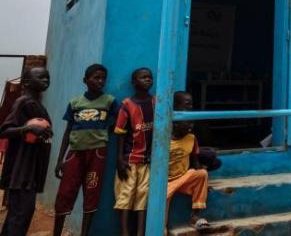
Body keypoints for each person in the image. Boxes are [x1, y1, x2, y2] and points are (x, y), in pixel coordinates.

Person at [52, 63, 118, 236]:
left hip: (97, 153)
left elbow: (117, 123)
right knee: (65, 193)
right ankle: (56, 232)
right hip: (75, 153)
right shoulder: (75, 103)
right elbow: (68, 131)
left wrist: (103, 130)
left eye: (103, 78)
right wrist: (60, 159)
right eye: (96, 77)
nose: (100, 81)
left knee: (92, 193)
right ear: (85, 80)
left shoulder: (109, 101)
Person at [0, 66, 52, 236]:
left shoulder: (38, 105)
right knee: (21, 216)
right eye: (41, 77)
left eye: (47, 77)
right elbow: (5, 130)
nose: (45, 80)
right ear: (28, 82)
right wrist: (28, 129)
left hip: (33, 169)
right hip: (22, 171)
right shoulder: (23, 102)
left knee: (17, 216)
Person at [113, 67, 156, 236]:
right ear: (133, 82)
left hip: (148, 161)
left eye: (149, 77)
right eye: (143, 77)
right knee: (125, 197)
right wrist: (120, 159)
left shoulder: (156, 103)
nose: (147, 80)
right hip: (130, 160)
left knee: (142, 198)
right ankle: (124, 233)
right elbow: (120, 133)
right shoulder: (127, 105)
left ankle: (140, 232)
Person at [166, 92, 210, 231]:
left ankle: (195, 216)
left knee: (201, 173)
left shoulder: (191, 138)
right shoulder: (165, 139)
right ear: (176, 124)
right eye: (187, 123)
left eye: (192, 123)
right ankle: (162, 228)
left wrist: (203, 183)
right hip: (166, 181)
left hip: (183, 178)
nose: (191, 126)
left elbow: (195, 162)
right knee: (163, 198)